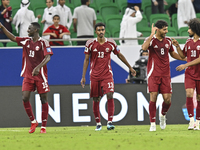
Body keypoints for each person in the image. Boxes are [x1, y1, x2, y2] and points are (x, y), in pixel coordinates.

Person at [81, 22, 136, 131]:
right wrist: (83, 76)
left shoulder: (111, 43)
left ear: (104, 31)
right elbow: (86, 59)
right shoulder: (90, 43)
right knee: (96, 98)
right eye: (99, 30)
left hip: (107, 74)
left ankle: (110, 122)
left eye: (102, 30)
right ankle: (98, 124)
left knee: (110, 94)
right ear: (95, 32)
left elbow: (119, 55)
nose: (101, 32)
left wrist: (130, 67)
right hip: (95, 75)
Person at [0, 22, 53, 133]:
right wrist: (2, 27)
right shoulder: (26, 41)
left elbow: (48, 57)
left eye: (30, 29)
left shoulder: (44, 42)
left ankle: (43, 126)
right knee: (25, 97)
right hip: (28, 75)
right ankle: (33, 121)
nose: (28, 30)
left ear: (36, 30)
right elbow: (13, 38)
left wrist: (38, 67)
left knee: (43, 99)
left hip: (41, 76)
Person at [142, 20, 185, 131]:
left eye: (166, 29)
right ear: (158, 29)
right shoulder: (151, 40)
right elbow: (143, 48)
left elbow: (172, 54)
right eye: (164, 29)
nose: (166, 31)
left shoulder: (168, 41)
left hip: (165, 74)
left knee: (167, 99)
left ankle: (162, 115)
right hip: (153, 73)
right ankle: (152, 124)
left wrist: (185, 59)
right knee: (153, 97)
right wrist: (151, 34)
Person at [173, 18, 200, 130]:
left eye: (189, 28)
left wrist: (186, 65)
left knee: (199, 98)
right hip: (189, 73)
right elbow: (183, 56)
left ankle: (198, 122)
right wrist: (177, 46)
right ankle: (191, 120)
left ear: (195, 29)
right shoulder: (188, 42)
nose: (188, 30)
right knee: (189, 94)